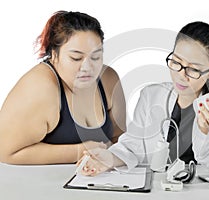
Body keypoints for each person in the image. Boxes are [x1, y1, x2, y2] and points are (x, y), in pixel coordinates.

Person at [79, 21, 209, 175]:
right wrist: (109, 158)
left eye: (193, 69)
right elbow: (132, 146)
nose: (181, 75)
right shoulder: (151, 95)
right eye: (176, 62)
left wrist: (206, 133)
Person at [0, 11, 126, 164]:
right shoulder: (40, 87)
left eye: (96, 57)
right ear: (54, 54)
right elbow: (6, 152)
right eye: (76, 58)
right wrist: (79, 151)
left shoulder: (108, 79)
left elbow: (121, 140)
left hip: (95, 181)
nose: (87, 67)